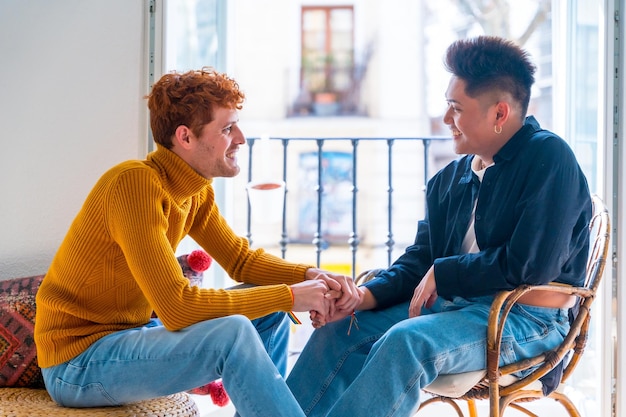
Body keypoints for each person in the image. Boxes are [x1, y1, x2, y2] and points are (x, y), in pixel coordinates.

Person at [286, 35, 591, 417]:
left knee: (404, 344)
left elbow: (530, 265)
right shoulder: (450, 178)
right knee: (337, 332)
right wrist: (360, 298)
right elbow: (420, 261)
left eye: (456, 108)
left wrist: (444, 273)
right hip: (453, 310)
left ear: (499, 114)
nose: (446, 119)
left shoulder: (549, 157)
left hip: (525, 321)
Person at [34, 68, 360, 417]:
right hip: (78, 363)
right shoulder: (135, 185)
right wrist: (294, 295)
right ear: (185, 137)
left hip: (132, 336)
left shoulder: (195, 190)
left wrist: (311, 275)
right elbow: (177, 307)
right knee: (235, 331)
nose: (240, 138)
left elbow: (240, 261)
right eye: (226, 128)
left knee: (270, 312)